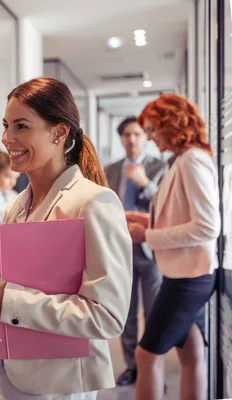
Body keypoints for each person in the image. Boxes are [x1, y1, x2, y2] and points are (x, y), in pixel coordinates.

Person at [0, 77, 133, 400]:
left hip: (51, 387)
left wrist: (5, 300)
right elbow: (2, 288)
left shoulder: (93, 203)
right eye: (6, 125)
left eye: (21, 126)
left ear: (59, 133)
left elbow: (107, 317)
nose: (7, 138)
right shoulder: (16, 205)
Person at [126, 94, 220, 400]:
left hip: (188, 279)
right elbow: (183, 214)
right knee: (191, 354)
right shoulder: (185, 159)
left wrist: (148, 237)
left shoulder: (192, 160)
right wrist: (147, 220)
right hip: (187, 274)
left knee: (146, 355)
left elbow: (207, 226)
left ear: (172, 125)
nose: (150, 138)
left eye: (153, 130)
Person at [104, 116, 167, 385]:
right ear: (121, 138)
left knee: (155, 313)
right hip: (121, 251)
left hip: (151, 251)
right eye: (127, 134)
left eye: (137, 134)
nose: (132, 139)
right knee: (126, 312)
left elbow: (167, 205)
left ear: (145, 137)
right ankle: (132, 366)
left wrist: (145, 183)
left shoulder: (160, 167)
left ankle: (154, 368)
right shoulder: (111, 169)